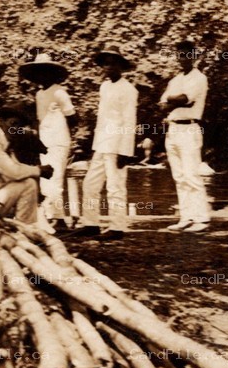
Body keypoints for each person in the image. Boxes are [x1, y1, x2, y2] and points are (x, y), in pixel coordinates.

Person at [79, 44, 139, 239]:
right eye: (105, 64)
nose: (108, 68)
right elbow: (102, 118)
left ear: (120, 66)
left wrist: (125, 152)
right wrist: (94, 146)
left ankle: (117, 227)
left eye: (112, 64)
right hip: (102, 143)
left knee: (115, 187)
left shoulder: (128, 90)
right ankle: (91, 223)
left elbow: (129, 120)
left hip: (117, 144)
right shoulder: (104, 86)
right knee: (90, 184)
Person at [161, 39, 211, 233]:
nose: (183, 58)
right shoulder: (175, 80)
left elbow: (186, 100)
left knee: (191, 174)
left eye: (187, 54)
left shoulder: (199, 78)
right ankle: (186, 216)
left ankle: (202, 218)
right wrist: (175, 101)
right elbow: (162, 104)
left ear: (194, 56)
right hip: (173, 128)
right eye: (180, 54)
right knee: (179, 176)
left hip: (189, 128)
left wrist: (174, 100)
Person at [20, 51, 74, 224]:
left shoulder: (59, 92)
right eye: (38, 72)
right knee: (46, 178)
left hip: (58, 140)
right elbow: (39, 120)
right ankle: (53, 215)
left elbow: (72, 116)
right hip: (45, 141)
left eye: (45, 71)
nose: (41, 76)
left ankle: (57, 218)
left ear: (52, 73)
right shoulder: (39, 94)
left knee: (56, 177)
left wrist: (58, 127)